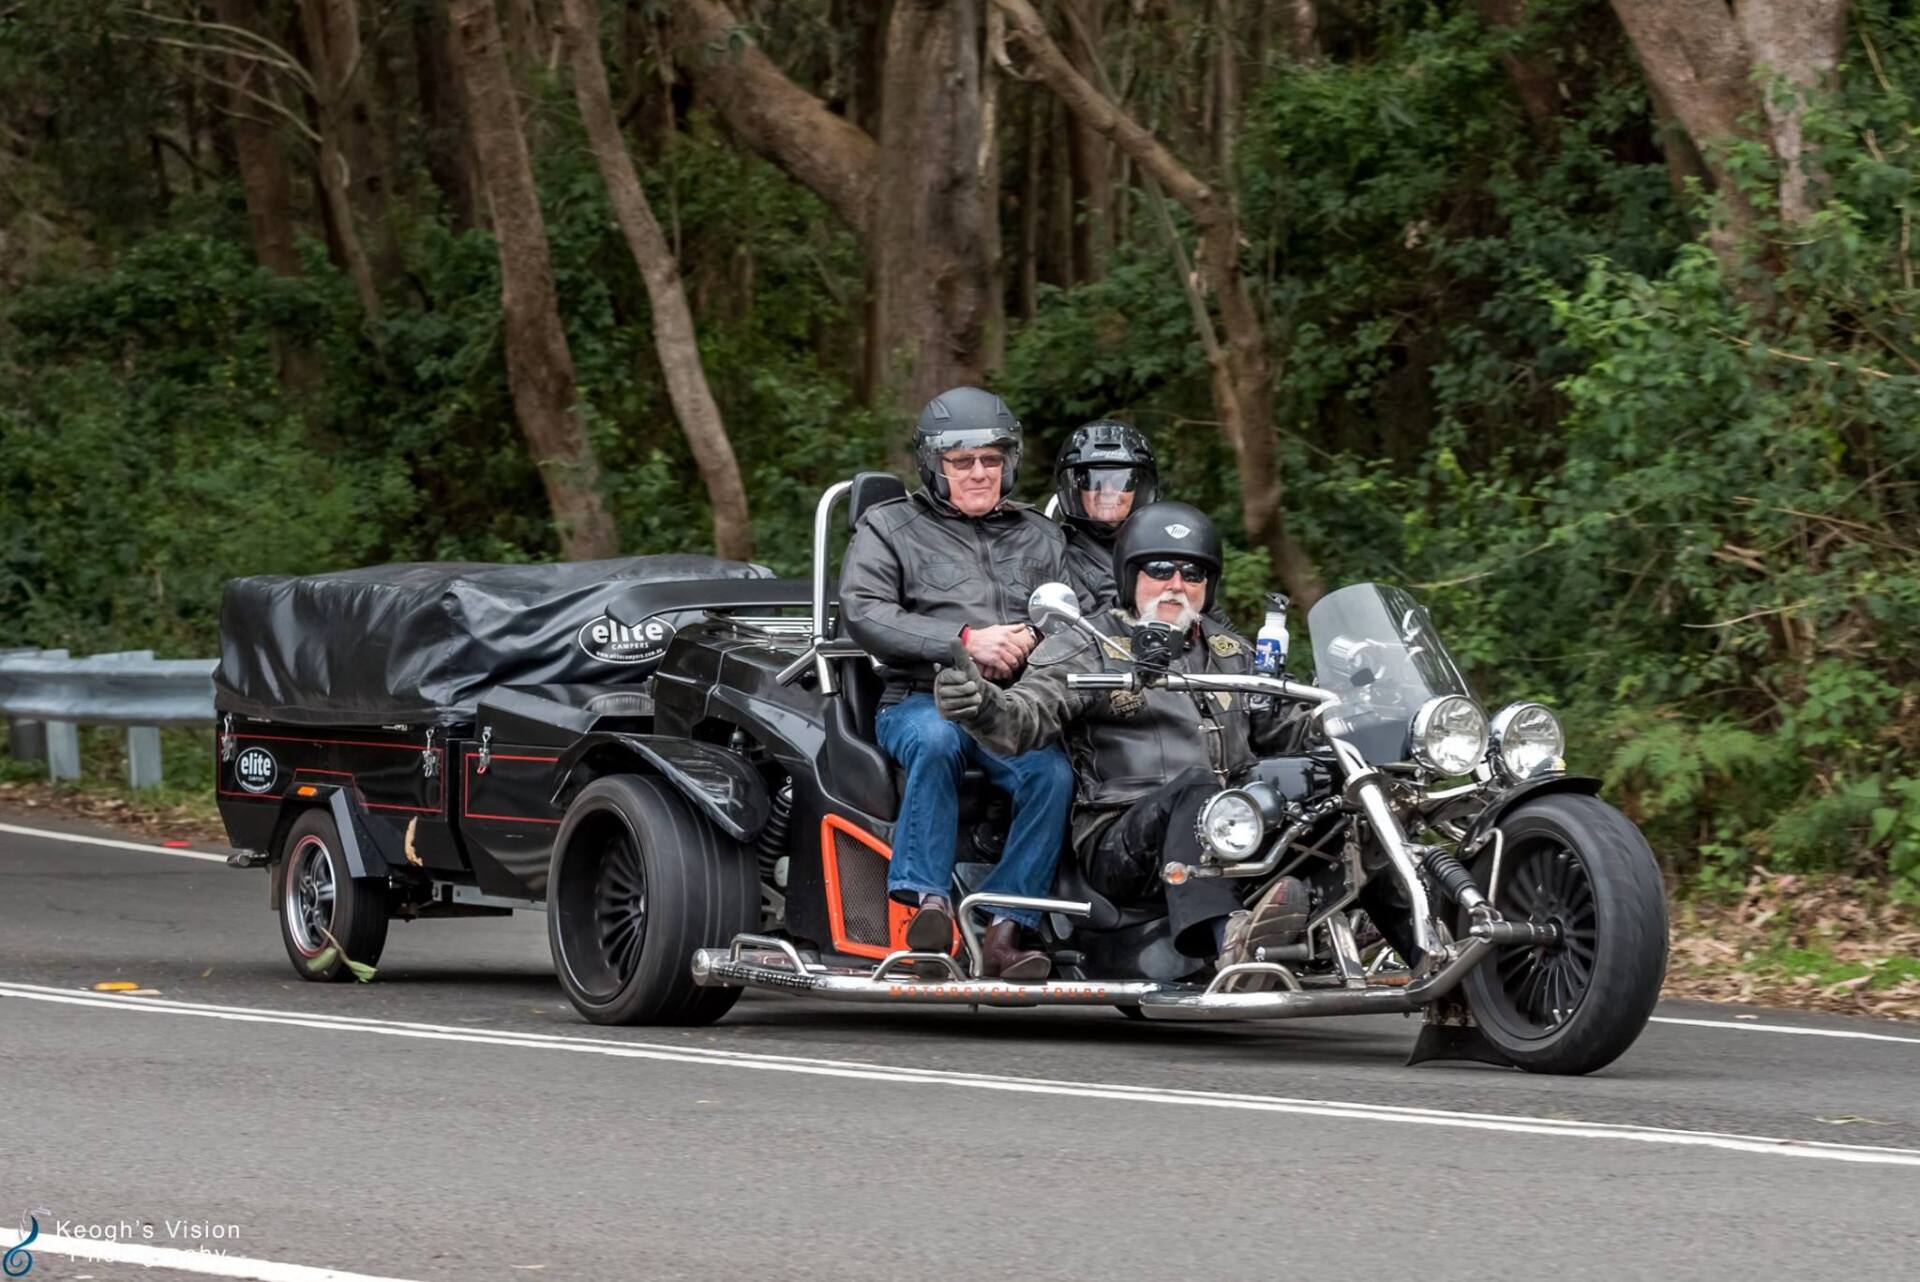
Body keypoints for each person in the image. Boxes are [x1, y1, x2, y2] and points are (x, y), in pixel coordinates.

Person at [932, 501, 1310, 971]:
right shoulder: (1088, 645)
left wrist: (1355, 722)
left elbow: (1287, 726)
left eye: (1193, 573)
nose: (1176, 584)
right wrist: (983, 705)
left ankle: (1424, 958)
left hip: (1235, 830)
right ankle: (1230, 942)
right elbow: (1025, 717)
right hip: (1121, 839)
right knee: (1197, 786)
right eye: (1159, 569)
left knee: (1326, 789)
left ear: (1208, 586)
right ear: (1130, 576)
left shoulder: (1232, 653)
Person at [839, 386, 1075, 980]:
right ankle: (930, 907)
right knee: (938, 742)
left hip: (1012, 707)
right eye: (962, 462)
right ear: (934, 466)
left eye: (991, 460)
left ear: (1009, 465)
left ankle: (1005, 928)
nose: (978, 473)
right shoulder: (889, 525)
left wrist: (1031, 639)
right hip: (918, 700)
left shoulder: (1043, 536)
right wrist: (965, 642)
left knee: (1051, 773)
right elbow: (864, 611)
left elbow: (1081, 615)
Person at [1055, 420, 1158, 613]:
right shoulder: (1054, 553)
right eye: (1092, 481)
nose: (1108, 491)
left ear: (1139, 489)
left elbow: (1215, 624)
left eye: (1122, 481)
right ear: (1077, 489)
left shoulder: (1163, 547)